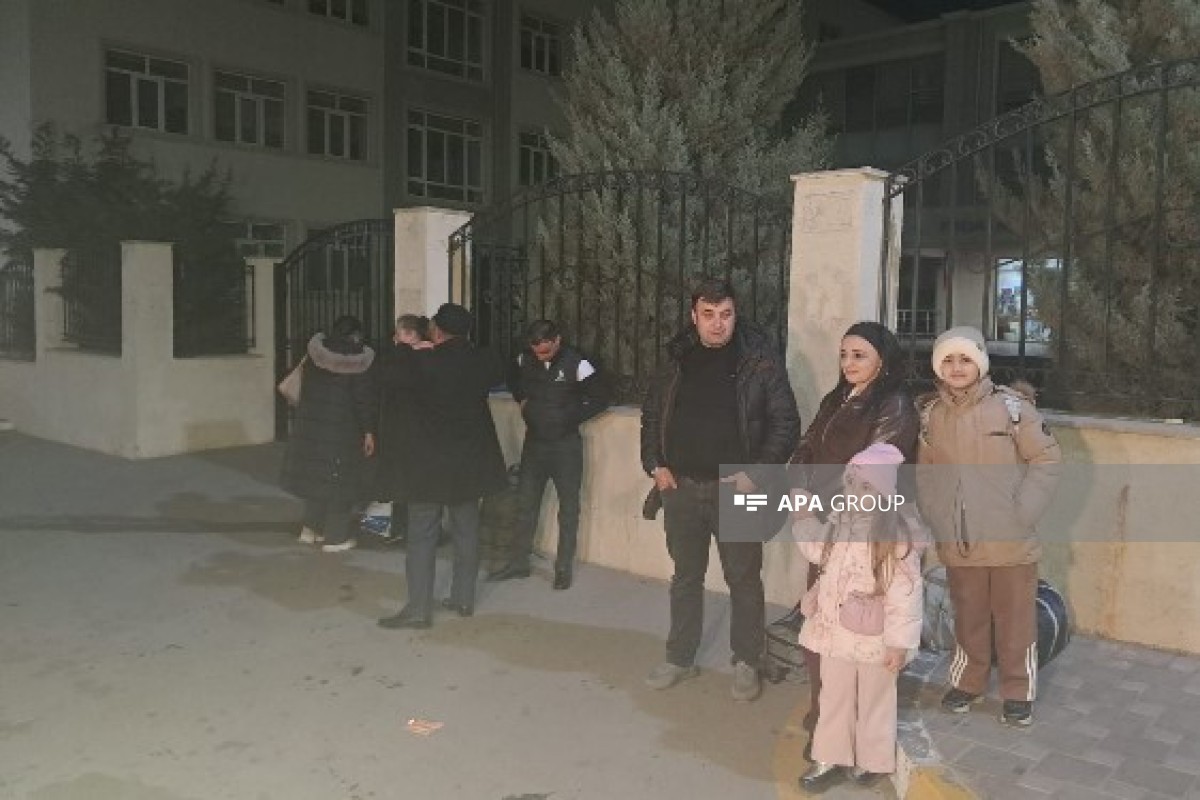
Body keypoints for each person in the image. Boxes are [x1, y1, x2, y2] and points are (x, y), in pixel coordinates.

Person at [640, 277, 800, 702]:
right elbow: (652, 415)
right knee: (685, 576)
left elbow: (785, 423)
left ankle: (747, 659)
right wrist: (655, 465)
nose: (717, 324)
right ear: (694, 316)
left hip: (739, 488)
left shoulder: (759, 362)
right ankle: (679, 657)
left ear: (735, 314)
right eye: (708, 315)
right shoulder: (676, 359)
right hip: (681, 488)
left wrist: (756, 474)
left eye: (725, 314)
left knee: (743, 578)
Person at [916, 326, 1061, 727]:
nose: (957, 367)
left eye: (965, 359)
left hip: (1010, 540)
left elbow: (1046, 459)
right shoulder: (931, 415)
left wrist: (1023, 512)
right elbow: (927, 473)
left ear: (980, 362)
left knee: (1015, 620)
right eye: (948, 360)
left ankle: (1018, 691)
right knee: (969, 616)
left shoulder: (1012, 409)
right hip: (960, 541)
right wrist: (937, 514)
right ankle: (968, 682)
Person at [786, 321, 918, 743]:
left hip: (862, 534)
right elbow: (807, 445)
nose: (848, 363)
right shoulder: (838, 397)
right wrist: (800, 488)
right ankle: (827, 718)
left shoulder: (894, 405)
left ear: (882, 360)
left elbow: (872, 474)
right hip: (826, 523)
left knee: (860, 632)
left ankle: (852, 729)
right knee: (822, 624)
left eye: (859, 355)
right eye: (844, 355)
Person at [796, 444, 926, 793]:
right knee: (833, 697)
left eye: (866, 486)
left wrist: (899, 644)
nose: (856, 492)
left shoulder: (896, 538)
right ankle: (829, 757)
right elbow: (816, 550)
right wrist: (804, 518)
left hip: (875, 640)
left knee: (876, 700)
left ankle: (873, 760)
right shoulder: (839, 523)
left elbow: (906, 596)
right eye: (851, 483)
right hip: (835, 635)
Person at [378, 303, 507, 630]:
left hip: (429, 464)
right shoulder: (482, 361)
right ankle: (463, 598)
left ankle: (419, 609)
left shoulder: (423, 361)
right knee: (467, 530)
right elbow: (497, 369)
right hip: (469, 463)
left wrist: (405, 347)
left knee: (422, 534)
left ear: (436, 330)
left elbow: (389, 377)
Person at [487, 320, 609, 590]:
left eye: (546, 350)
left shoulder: (577, 363)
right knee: (525, 505)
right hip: (535, 445)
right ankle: (518, 562)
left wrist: (570, 417)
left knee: (568, 509)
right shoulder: (524, 359)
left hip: (565, 446)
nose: (541, 356)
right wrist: (522, 400)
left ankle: (563, 568)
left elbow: (600, 398)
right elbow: (512, 376)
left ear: (557, 341)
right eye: (537, 351)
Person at [282, 315, 378, 553]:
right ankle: (336, 538)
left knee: (317, 476)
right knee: (341, 482)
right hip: (342, 429)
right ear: (356, 335)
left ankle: (310, 529)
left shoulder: (316, 354)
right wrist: (368, 431)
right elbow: (362, 400)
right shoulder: (359, 361)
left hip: (312, 426)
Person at [364, 314, 431, 544]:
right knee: (421, 485)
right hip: (424, 431)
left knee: (399, 483)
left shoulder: (391, 360)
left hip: (394, 432)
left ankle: (400, 530)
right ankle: (422, 532)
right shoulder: (431, 357)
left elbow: (375, 391)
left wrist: (371, 429)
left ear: (405, 334)